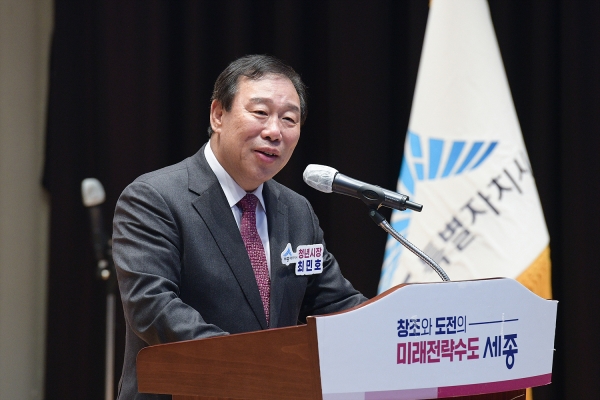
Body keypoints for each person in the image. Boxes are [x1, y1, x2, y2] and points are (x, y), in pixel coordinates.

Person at [113, 54, 367, 399]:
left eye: (289, 119)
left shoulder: (296, 211)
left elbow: (336, 304)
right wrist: (248, 368)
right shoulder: (154, 198)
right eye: (260, 112)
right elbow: (152, 306)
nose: (274, 131)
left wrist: (398, 331)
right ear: (218, 115)